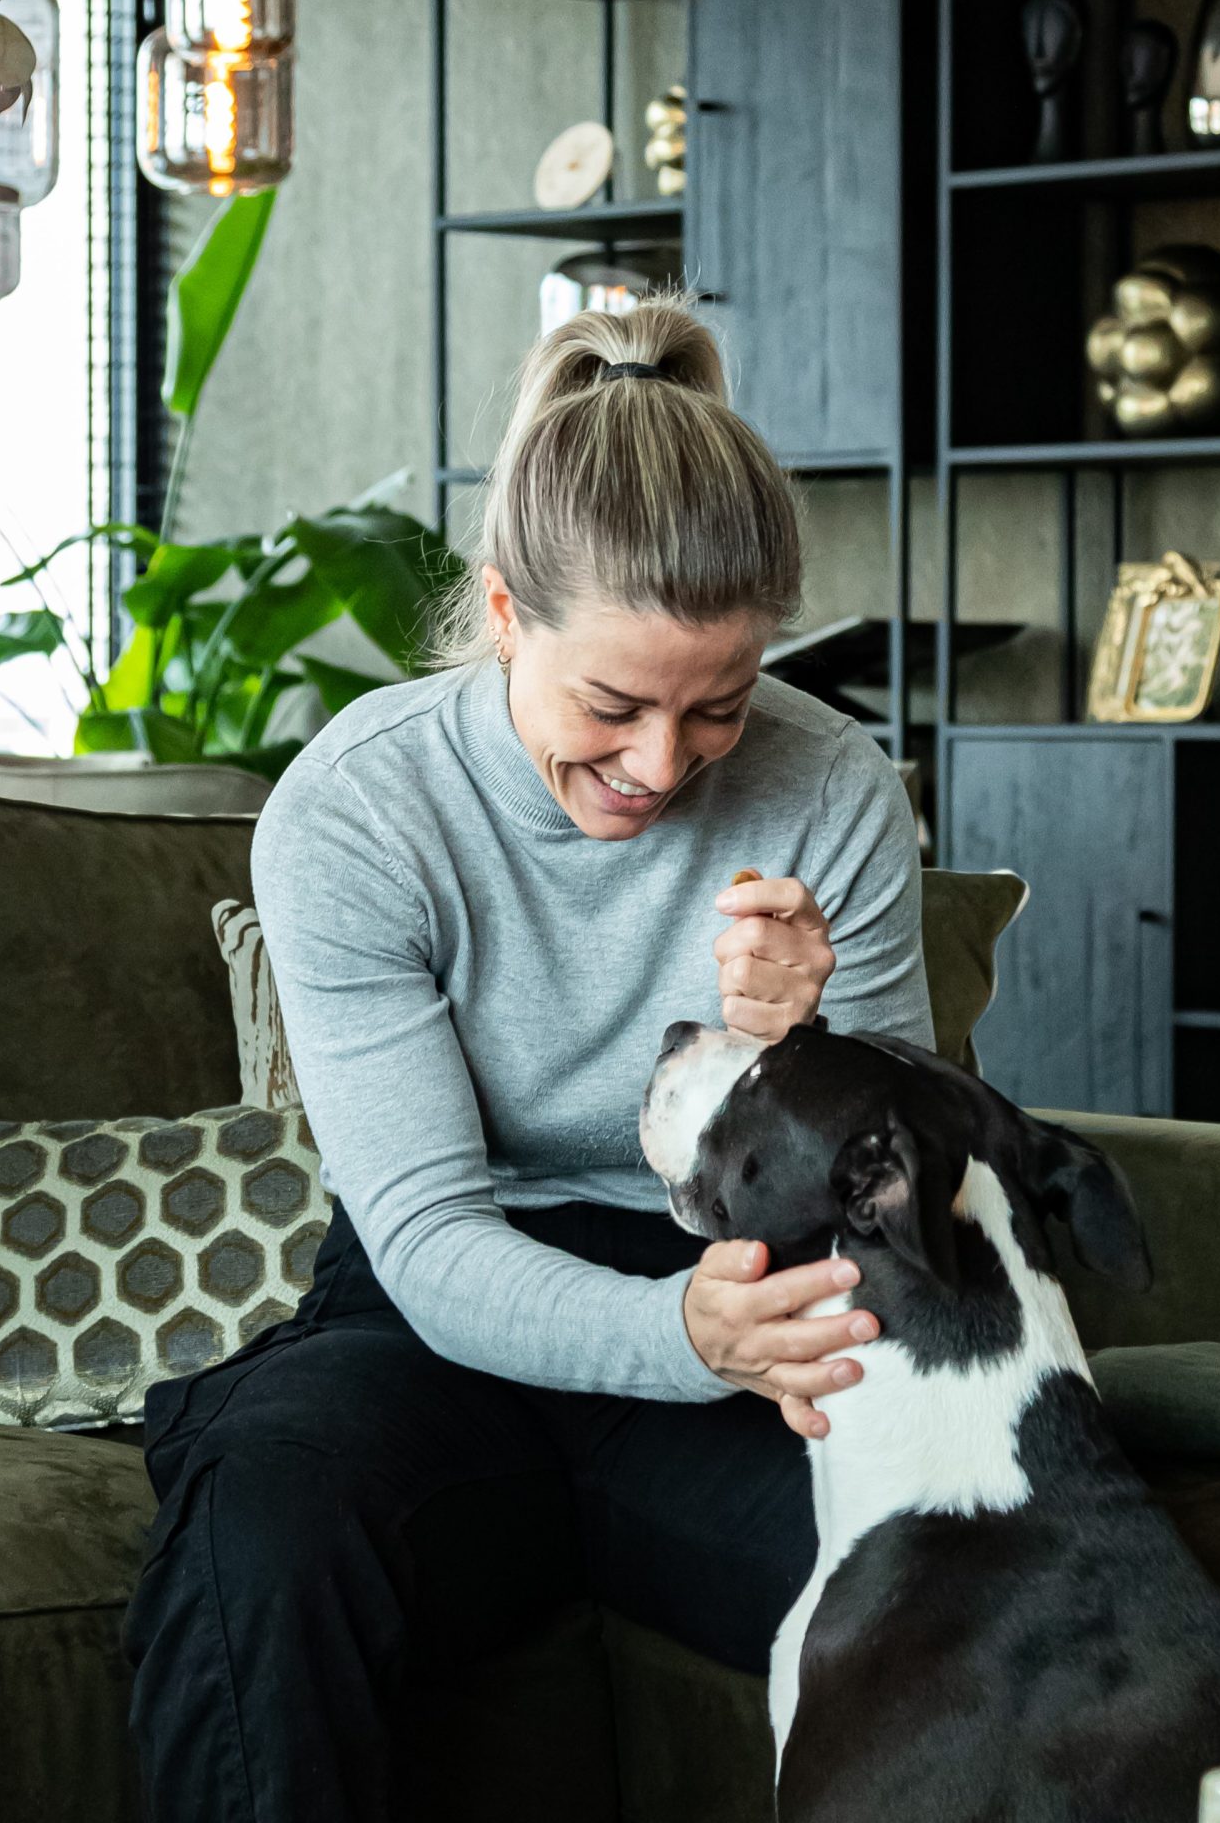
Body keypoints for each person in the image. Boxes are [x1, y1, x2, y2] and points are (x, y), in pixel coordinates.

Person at [123, 299, 933, 1821]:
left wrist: (807, 1050)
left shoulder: (832, 788)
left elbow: (906, 1208)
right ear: (504, 615)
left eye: (719, 707)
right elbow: (427, 1239)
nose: (659, 765)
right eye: (612, 706)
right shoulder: (361, 807)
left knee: (961, 1576)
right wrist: (676, 1340)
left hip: (748, 1311)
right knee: (268, 1514)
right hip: (441, 1329)